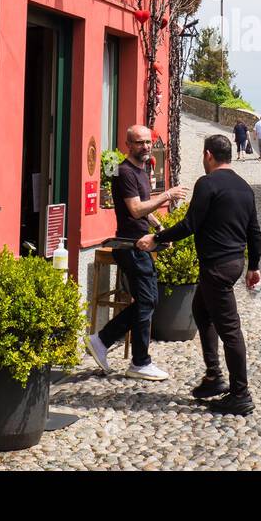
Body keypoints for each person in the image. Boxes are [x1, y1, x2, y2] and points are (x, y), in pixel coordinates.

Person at [140, 133, 261, 416]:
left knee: (230, 330)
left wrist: (156, 239)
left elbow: (190, 224)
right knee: (201, 310)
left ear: (208, 155)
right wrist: (253, 266)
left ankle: (240, 394)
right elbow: (254, 231)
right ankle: (213, 378)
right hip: (233, 263)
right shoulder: (245, 187)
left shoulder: (207, 184)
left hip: (217, 267)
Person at [86, 125, 187, 380]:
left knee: (147, 301)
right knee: (147, 300)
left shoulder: (141, 171)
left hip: (143, 242)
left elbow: (144, 209)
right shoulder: (125, 172)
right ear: (128, 144)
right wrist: (166, 195)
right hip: (131, 246)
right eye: (139, 142)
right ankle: (137, 360)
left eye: (147, 142)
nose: (145, 146)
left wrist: (160, 229)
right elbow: (135, 209)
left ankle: (104, 343)